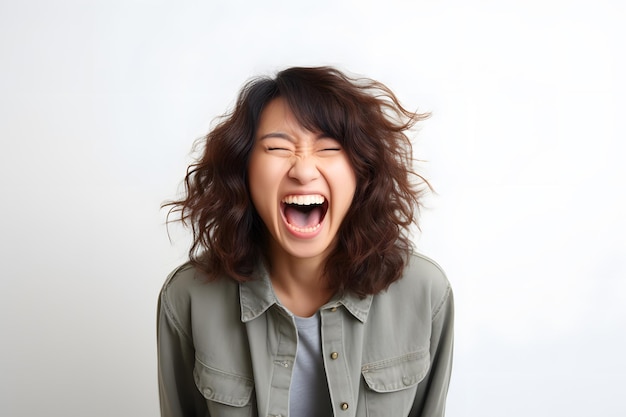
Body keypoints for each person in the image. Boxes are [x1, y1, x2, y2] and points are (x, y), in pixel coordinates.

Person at [158, 66, 453, 417]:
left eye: (329, 148)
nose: (303, 169)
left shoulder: (425, 293)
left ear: (361, 171)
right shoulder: (188, 297)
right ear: (244, 169)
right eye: (277, 147)